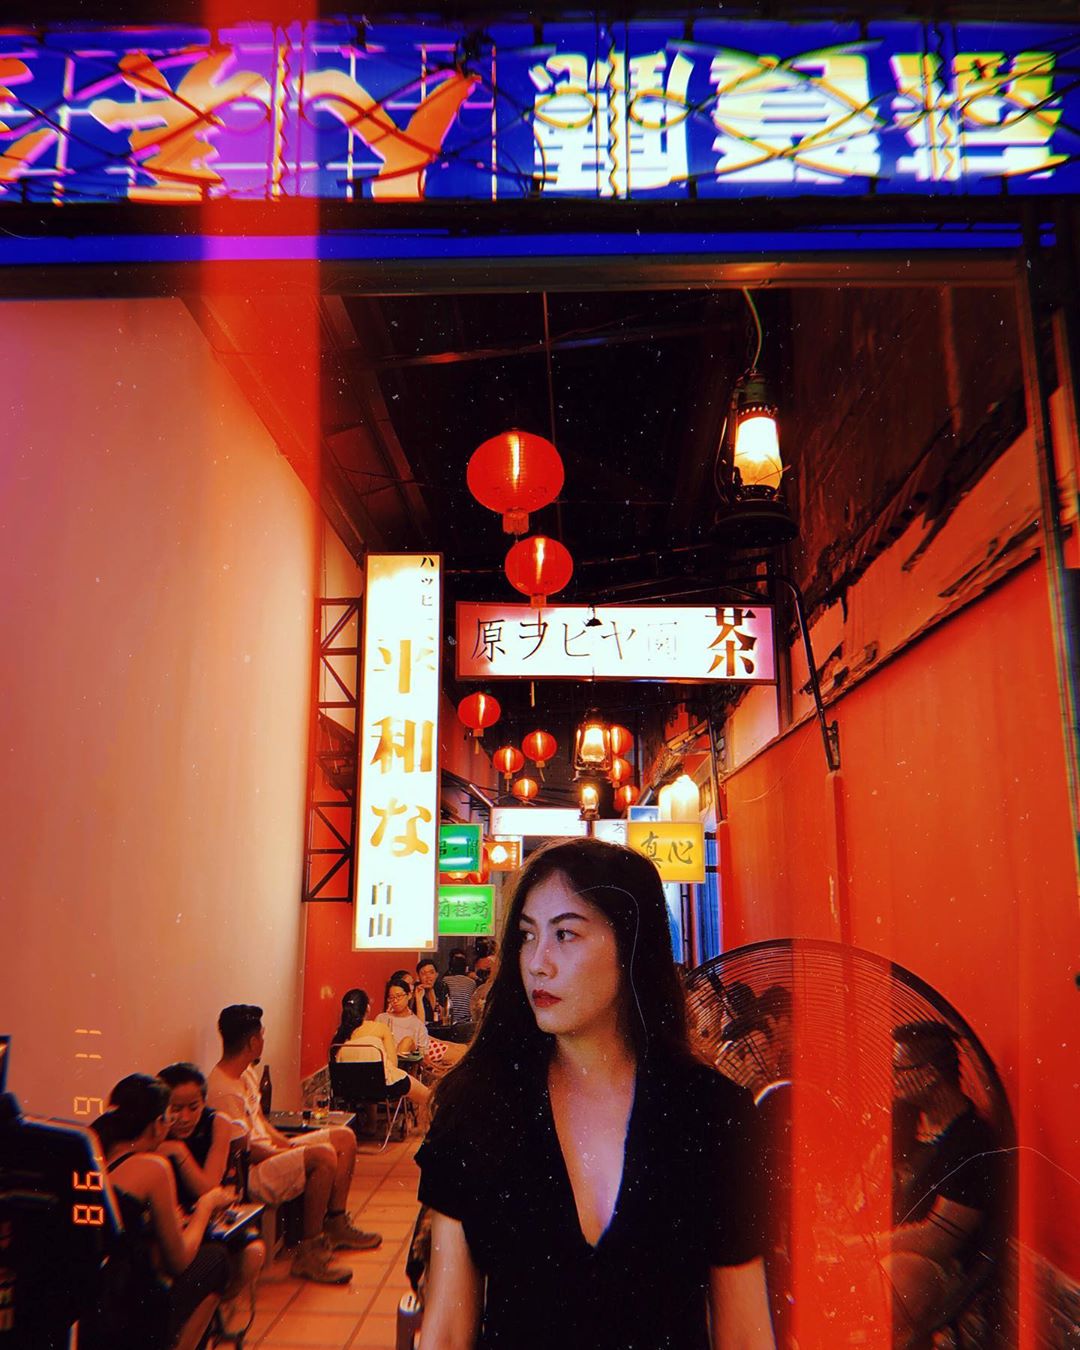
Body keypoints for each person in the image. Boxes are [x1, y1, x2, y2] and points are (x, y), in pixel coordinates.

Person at [416, 837, 775, 1350]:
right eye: (527, 936)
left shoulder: (710, 1113)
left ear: (632, 947)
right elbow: (448, 1331)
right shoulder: (478, 1105)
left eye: (565, 934)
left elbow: (744, 1333)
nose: (537, 962)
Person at [206, 1004, 381, 1285]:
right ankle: (308, 1254)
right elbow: (244, 1151)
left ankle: (336, 1223)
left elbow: (261, 1123)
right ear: (252, 1042)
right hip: (251, 1172)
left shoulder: (245, 1074)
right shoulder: (222, 1090)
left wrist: (287, 1145)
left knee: (343, 1137)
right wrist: (288, 1151)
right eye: (261, 1036)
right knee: (323, 1155)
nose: (263, 1041)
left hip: (270, 1153)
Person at [881, 1022, 1004, 1345]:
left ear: (930, 1075)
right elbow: (874, 1172)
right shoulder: (904, 1117)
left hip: (940, 1266)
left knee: (899, 1278)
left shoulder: (972, 1141)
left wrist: (865, 1246)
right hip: (888, 1241)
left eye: (899, 1069)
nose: (893, 1078)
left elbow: (938, 1239)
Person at [90, 1075, 230, 1350]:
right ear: (156, 1125)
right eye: (169, 1116)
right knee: (217, 1260)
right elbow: (179, 1260)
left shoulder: (95, 1152)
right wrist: (206, 1206)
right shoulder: (153, 1167)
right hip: (131, 1307)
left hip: (92, 1299)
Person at [157, 1062, 266, 1341]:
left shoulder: (217, 1123)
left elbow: (208, 1186)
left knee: (254, 1253)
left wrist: (178, 1152)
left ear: (204, 1102)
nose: (184, 1117)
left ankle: (210, 1316)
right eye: (175, 1109)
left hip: (207, 1218)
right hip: (171, 1223)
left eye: (193, 1107)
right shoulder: (155, 1129)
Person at [333, 988, 430, 1127]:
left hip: (352, 1088)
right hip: (384, 1087)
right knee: (428, 1096)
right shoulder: (380, 1028)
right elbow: (393, 1064)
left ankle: (371, 1125)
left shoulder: (340, 1035)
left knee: (369, 1079)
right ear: (367, 1008)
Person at [380, 977, 431, 1055]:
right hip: (384, 1059)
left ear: (409, 995)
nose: (395, 1001)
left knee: (407, 1041)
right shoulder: (382, 1018)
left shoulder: (417, 1023)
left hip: (406, 1061)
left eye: (399, 996)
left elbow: (423, 1053)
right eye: (391, 997)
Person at [442, 952, 475, 1025]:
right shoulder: (472, 982)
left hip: (449, 1021)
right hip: (466, 1022)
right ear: (465, 969)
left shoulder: (445, 980)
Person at [414, 958, 445, 1025]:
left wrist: (430, 991)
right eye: (423, 973)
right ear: (418, 976)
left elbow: (442, 1017)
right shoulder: (414, 990)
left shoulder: (442, 987)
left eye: (431, 973)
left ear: (436, 975)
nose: (428, 976)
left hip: (438, 1028)